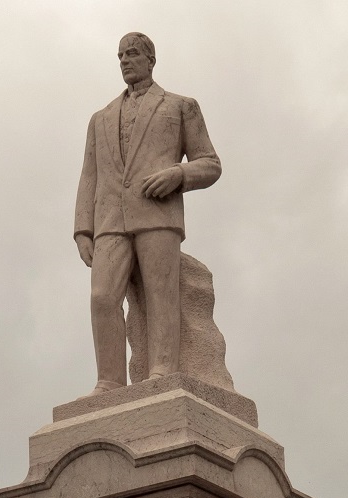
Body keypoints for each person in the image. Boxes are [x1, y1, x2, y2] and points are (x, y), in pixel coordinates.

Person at [74, 33, 221, 392]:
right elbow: (89, 175)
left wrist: (178, 174)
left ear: (151, 60)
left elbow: (211, 164)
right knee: (102, 297)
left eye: (133, 54)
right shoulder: (100, 118)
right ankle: (108, 381)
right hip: (110, 220)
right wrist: (82, 229)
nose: (125, 60)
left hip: (157, 214)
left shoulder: (180, 106)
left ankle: (163, 370)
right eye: (120, 55)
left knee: (161, 294)